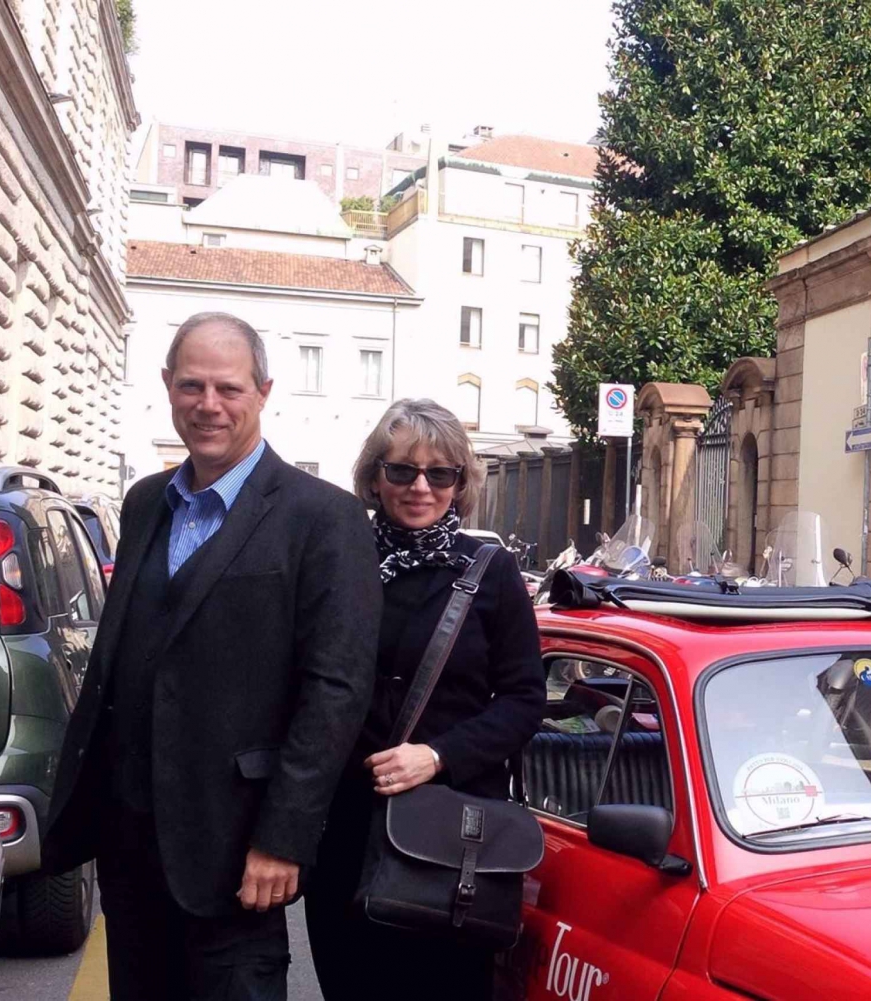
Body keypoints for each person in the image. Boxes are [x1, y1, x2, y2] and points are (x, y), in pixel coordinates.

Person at [43, 312, 382, 1000]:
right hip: (131, 846)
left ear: (263, 391)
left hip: (238, 853)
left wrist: (284, 835)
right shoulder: (146, 504)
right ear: (167, 386)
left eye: (228, 388)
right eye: (191, 385)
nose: (208, 404)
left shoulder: (323, 518)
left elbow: (336, 688)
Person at [306, 398, 545, 1000]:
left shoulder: (490, 572)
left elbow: (522, 701)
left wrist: (436, 755)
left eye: (440, 474)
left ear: (460, 484)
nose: (420, 487)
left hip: (447, 837)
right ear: (373, 477)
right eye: (402, 471)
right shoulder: (340, 561)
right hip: (344, 829)